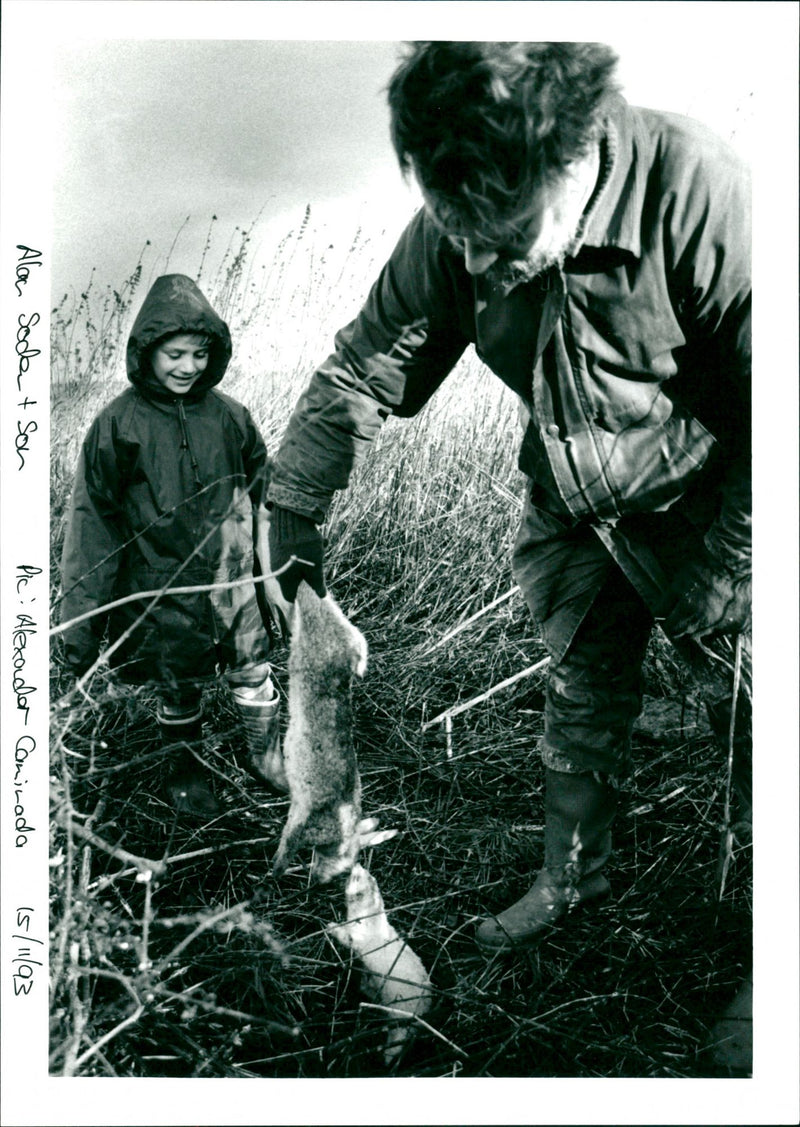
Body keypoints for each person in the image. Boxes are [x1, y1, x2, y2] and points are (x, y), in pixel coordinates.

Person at [264, 43, 751, 1069]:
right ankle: (571, 877)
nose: (477, 262)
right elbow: (364, 365)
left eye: (504, 236)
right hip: (574, 504)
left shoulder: (698, 190)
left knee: (760, 719)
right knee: (579, 692)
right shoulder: (458, 222)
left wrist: (733, 558)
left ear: (572, 158)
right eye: (459, 232)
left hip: (717, 491)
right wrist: (292, 508)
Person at [59, 274, 286, 818]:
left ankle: (266, 753)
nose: (189, 367)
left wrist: (281, 576)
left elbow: (267, 500)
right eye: (175, 354)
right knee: (177, 682)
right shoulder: (119, 423)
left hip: (234, 580)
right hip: (160, 583)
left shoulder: (231, 416)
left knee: (252, 668)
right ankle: (184, 768)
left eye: (200, 354)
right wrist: (79, 627)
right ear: (147, 351)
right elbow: (92, 522)